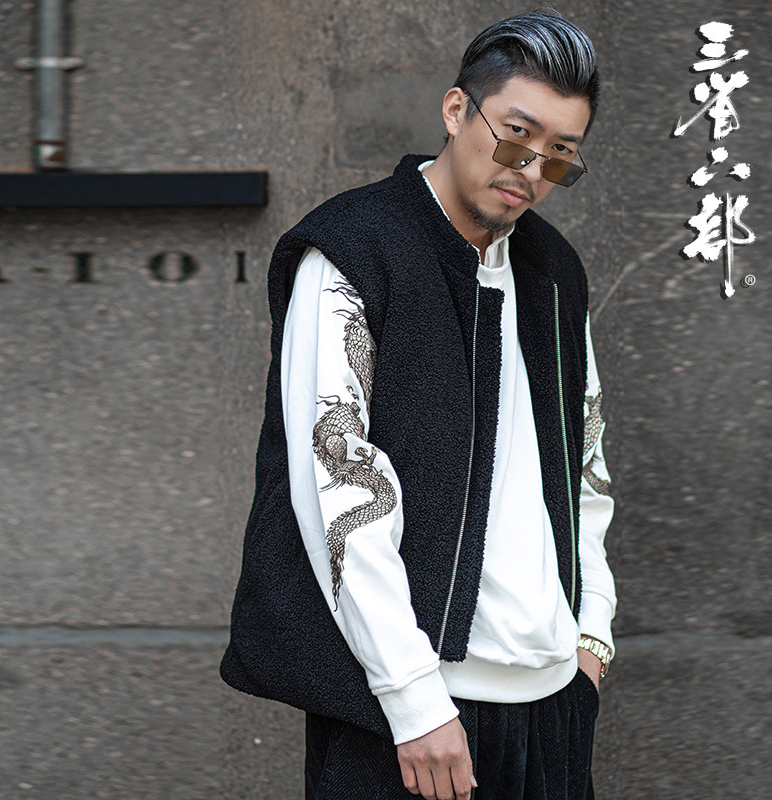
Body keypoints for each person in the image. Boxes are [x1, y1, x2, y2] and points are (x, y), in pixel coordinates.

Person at [221, 10, 617, 800]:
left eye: (559, 156)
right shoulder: (355, 251)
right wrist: (412, 697)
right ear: (456, 110)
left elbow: (585, 463)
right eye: (515, 136)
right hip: (414, 717)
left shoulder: (552, 272)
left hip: (553, 704)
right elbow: (338, 483)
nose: (529, 170)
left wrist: (592, 636)